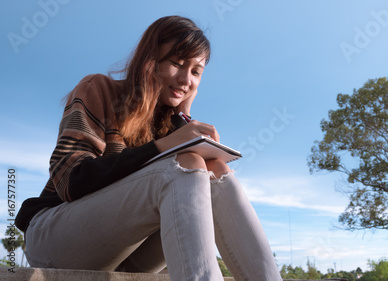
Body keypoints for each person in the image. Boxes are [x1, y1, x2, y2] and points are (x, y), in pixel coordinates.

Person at [15, 15, 282, 281]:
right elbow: (70, 180)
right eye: (177, 64)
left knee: (215, 169)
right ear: (150, 61)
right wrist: (165, 145)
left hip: (123, 255)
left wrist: (181, 121)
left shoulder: (170, 123)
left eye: (196, 71)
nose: (186, 79)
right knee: (184, 165)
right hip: (54, 239)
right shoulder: (99, 88)